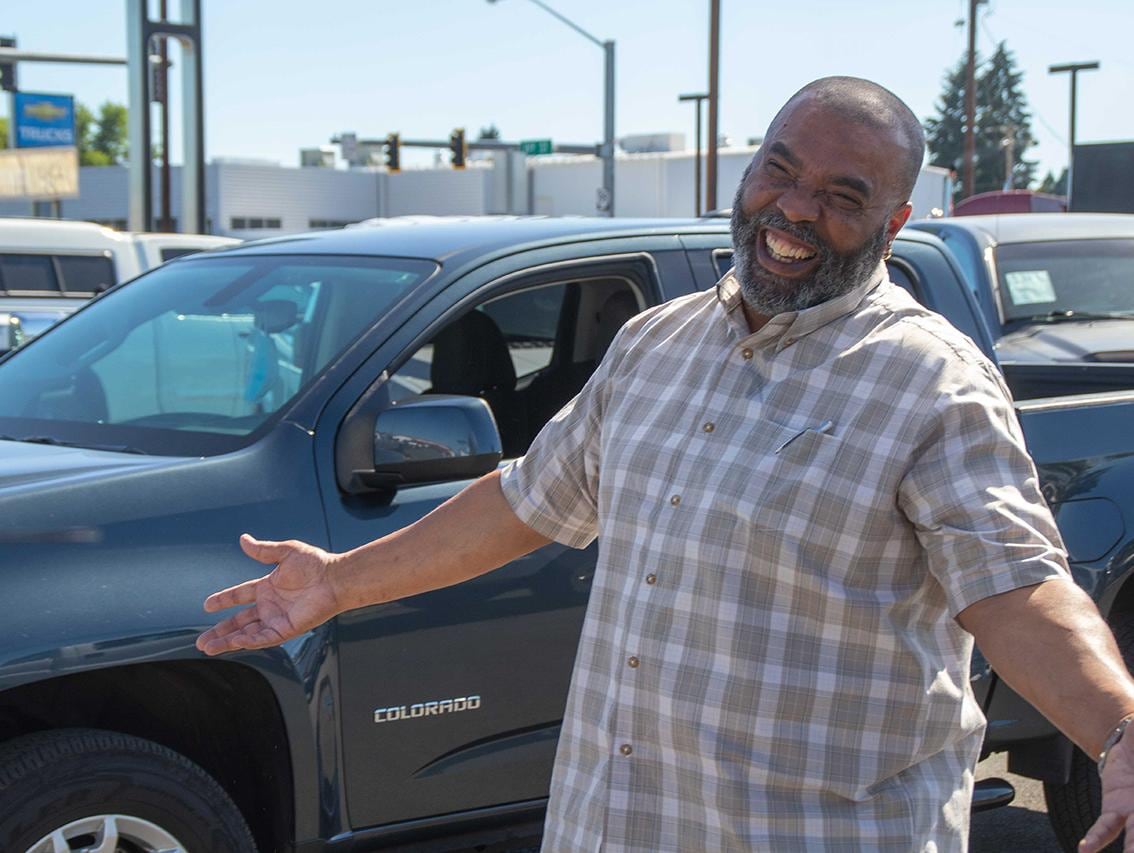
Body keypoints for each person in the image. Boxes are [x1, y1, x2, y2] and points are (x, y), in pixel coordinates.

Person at [197, 77, 1134, 852]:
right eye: (782, 170)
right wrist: (338, 582)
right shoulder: (657, 343)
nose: (796, 209)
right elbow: (527, 500)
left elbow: (1017, 589)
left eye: (843, 197)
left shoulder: (932, 384)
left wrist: (1118, 730)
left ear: (893, 227)